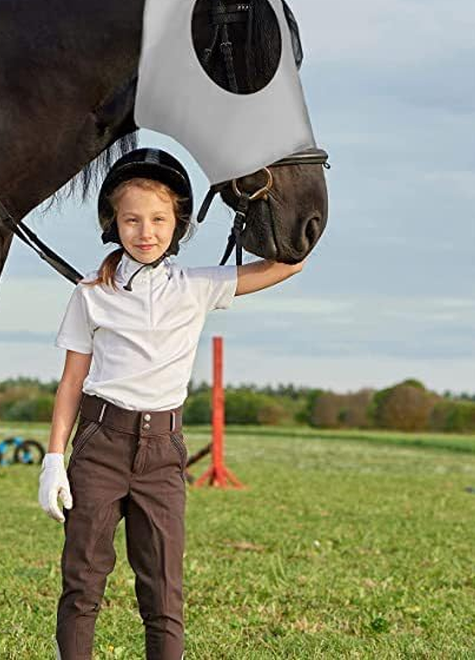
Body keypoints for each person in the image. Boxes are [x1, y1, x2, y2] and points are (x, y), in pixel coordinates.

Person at [38, 148, 305, 660]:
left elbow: (290, 263)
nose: (146, 231)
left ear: (178, 224)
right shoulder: (90, 294)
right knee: (83, 583)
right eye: (132, 219)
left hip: (163, 453)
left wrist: (258, 193)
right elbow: (72, 382)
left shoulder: (199, 286)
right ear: (112, 224)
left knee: (163, 590)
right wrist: (54, 459)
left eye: (159, 219)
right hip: (100, 445)